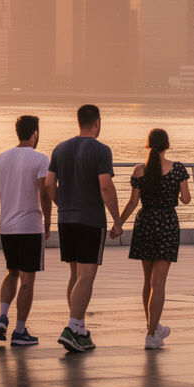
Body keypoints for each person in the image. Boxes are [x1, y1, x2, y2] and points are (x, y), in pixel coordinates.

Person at [49, 104, 122, 353]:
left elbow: (49, 185)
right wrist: (117, 219)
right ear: (97, 122)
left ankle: (79, 329)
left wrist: (64, 203)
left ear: (78, 121)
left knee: (75, 275)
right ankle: (71, 328)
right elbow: (105, 186)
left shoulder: (60, 148)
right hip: (90, 220)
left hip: (66, 219)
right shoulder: (101, 150)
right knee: (87, 276)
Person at [112, 128, 191, 350]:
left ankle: (153, 327)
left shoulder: (139, 170)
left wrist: (118, 223)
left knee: (147, 282)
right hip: (166, 224)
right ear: (167, 145)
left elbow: (132, 202)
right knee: (159, 284)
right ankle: (151, 335)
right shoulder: (177, 169)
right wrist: (174, 192)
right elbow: (186, 199)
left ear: (148, 145)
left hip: (145, 223)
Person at [0, 115, 52, 347]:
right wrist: (49, 222)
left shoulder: (2, 158)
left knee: (12, 272)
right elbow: (44, 192)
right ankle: (20, 331)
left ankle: (2, 317)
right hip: (30, 226)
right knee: (27, 280)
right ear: (35, 133)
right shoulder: (41, 159)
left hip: (7, 226)